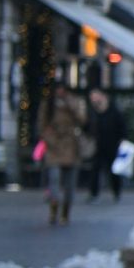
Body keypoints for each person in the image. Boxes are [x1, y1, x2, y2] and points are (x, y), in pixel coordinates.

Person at [37, 80, 90, 226]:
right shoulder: (48, 105)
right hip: (54, 145)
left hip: (72, 145)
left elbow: (83, 120)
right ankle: (54, 208)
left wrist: (71, 107)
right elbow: (42, 125)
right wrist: (49, 139)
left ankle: (66, 211)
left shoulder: (75, 102)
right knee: (53, 178)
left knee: (70, 184)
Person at [84, 88, 129, 203]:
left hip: (112, 145)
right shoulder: (93, 111)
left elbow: (122, 127)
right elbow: (87, 127)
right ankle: (94, 193)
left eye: (95, 96)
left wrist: (121, 140)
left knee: (114, 171)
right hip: (98, 145)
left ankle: (116, 191)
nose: (93, 99)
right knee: (95, 170)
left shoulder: (113, 110)